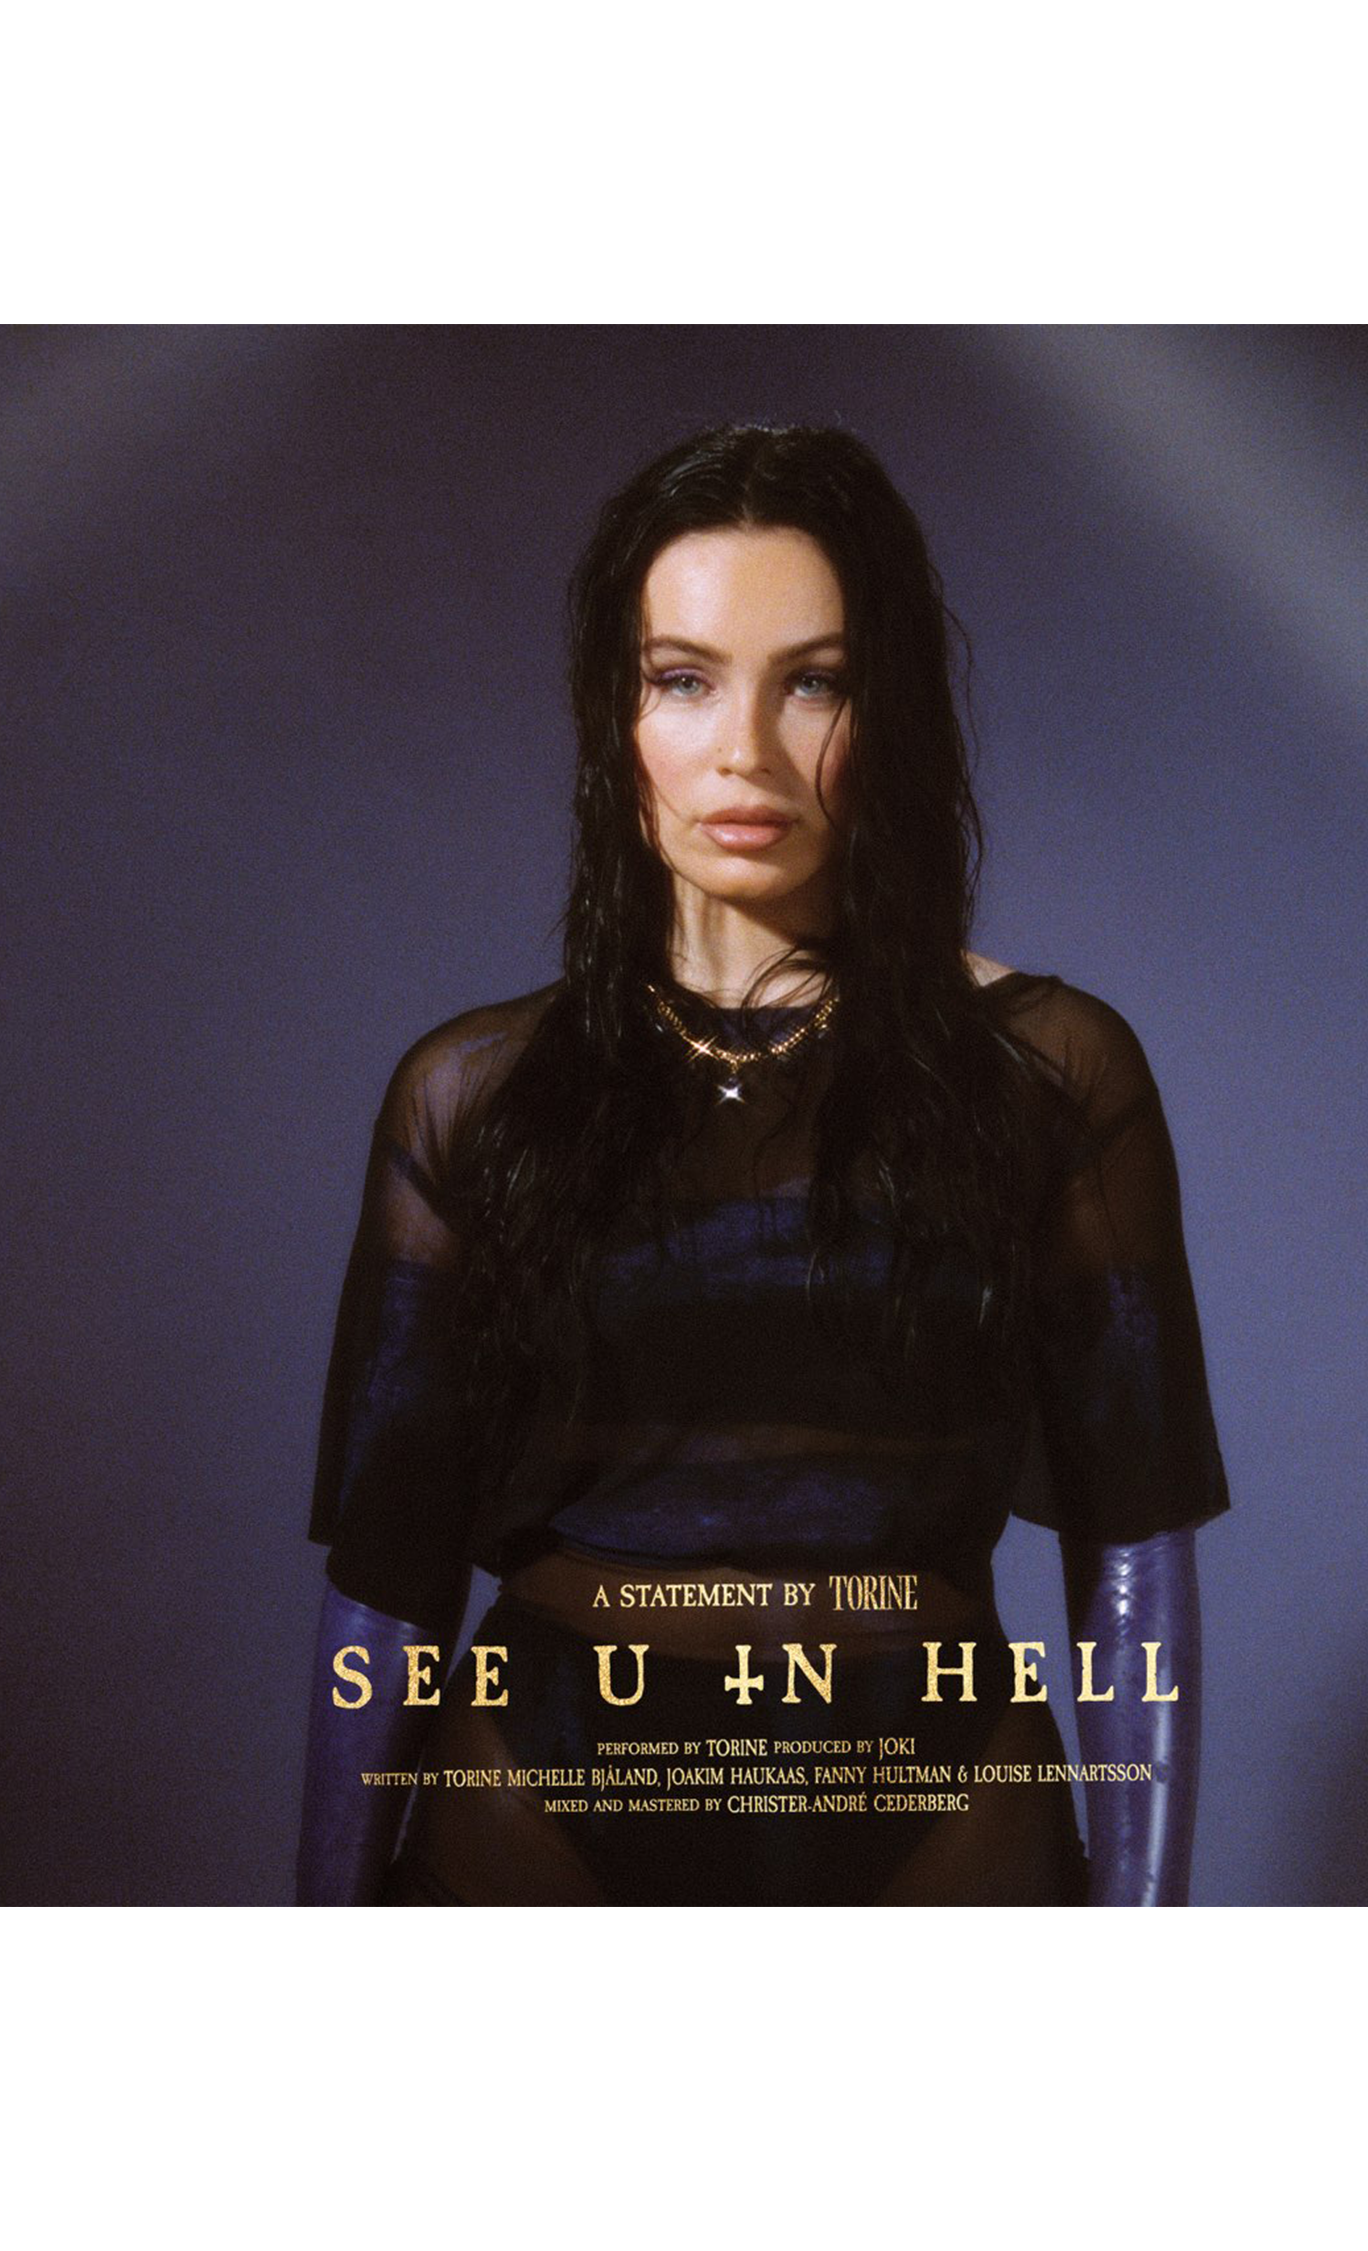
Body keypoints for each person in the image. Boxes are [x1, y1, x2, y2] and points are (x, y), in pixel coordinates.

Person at [294, 421, 1228, 1902]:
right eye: (684, 679)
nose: (746, 750)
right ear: (615, 714)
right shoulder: (474, 1095)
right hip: (538, 1798)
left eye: (816, 682)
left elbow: (1135, 1549)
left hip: (939, 1802)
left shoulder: (1049, 1073)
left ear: (892, 710)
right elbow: (385, 1586)